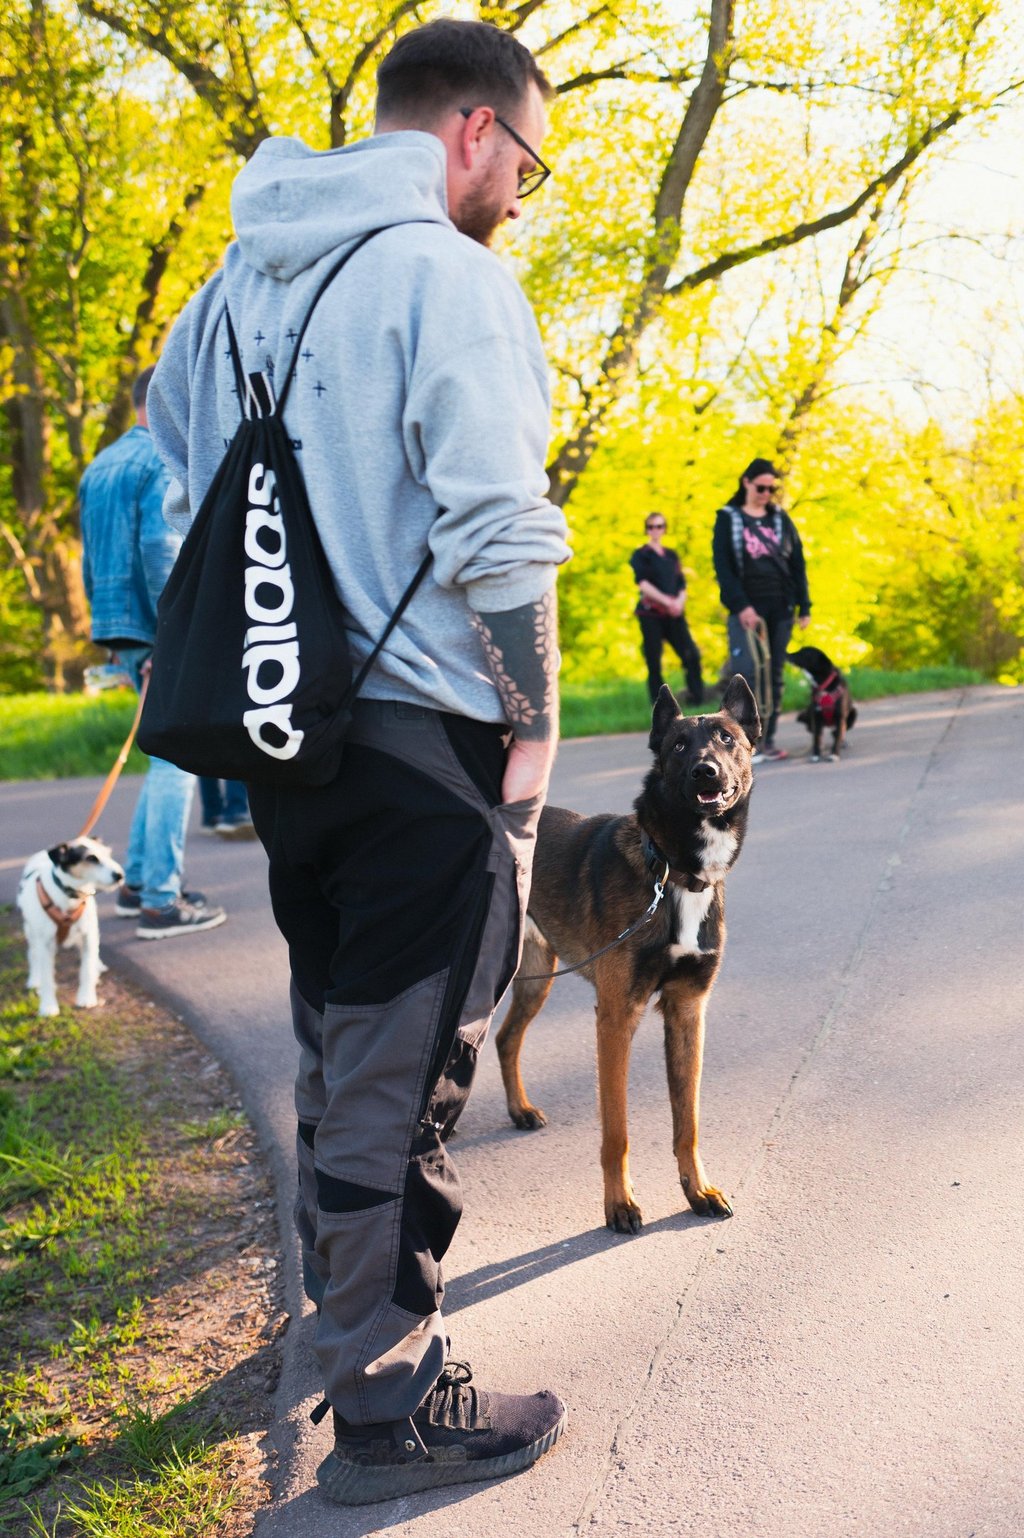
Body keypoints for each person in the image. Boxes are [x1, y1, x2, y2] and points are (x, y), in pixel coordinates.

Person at [148, 18, 571, 1503]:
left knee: (343, 1046)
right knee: (405, 1075)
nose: (522, 192)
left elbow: (171, 449)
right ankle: (388, 1406)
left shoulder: (230, 290)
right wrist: (533, 732)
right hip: (423, 746)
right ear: (471, 131)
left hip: (292, 742)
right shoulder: (444, 279)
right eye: (526, 159)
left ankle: (345, 1335)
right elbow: (501, 532)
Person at [78, 367, 226, 938]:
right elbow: (160, 546)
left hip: (119, 625)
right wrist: (171, 634)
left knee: (162, 754)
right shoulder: (159, 459)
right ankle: (162, 901)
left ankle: (137, 883)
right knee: (178, 758)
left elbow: (91, 562)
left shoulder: (102, 464)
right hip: (157, 626)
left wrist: (117, 635)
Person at [711, 457, 811, 761]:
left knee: (774, 674)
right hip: (746, 608)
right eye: (761, 487)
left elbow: (797, 563)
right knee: (746, 676)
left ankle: (767, 740)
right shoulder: (728, 518)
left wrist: (804, 605)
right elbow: (723, 568)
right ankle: (737, 745)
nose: (767, 493)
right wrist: (741, 606)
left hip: (780, 606)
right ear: (746, 483)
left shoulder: (780, 519)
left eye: (772, 488)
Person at [630, 513, 704, 705]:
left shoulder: (671, 555)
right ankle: (659, 706)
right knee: (654, 661)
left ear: (665, 528)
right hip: (651, 614)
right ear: (647, 529)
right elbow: (643, 583)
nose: (656, 530)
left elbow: (681, 584)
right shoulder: (641, 555)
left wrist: (678, 602)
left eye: (660, 526)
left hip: (675, 613)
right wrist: (666, 602)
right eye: (652, 526)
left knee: (691, 654)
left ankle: (697, 699)